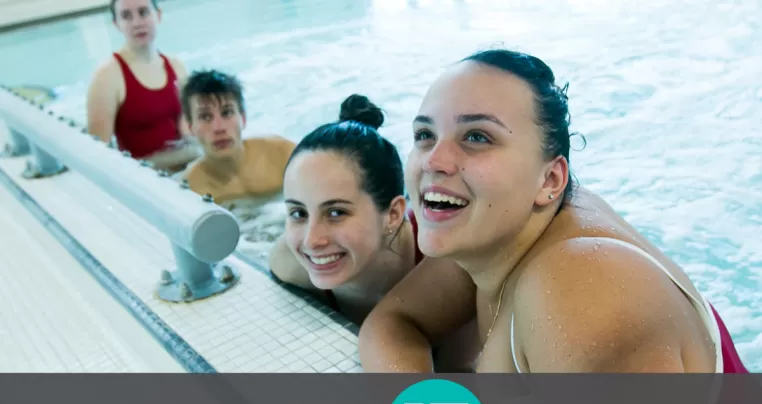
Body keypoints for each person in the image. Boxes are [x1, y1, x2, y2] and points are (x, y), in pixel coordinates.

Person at [358, 49, 748, 374]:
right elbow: (393, 323)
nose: (434, 161)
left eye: (477, 137)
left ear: (550, 180)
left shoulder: (583, 294)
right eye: (425, 135)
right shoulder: (495, 227)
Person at [268, 94, 426, 327]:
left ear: (392, 215)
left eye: (336, 213)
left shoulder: (439, 256)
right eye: (299, 213)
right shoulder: (289, 264)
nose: (312, 241)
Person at [86, 0, 199, 173]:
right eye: (126, 16)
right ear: (117, 24)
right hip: (146, 181)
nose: (137, 23)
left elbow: (190, 132)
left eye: (143, 12)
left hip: (186, 172)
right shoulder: (107, 77)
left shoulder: (177, 67)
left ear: (158, 15)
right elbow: (98, 154)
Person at [176, 69, 296, 207]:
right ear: (191, 128)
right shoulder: (189, 191)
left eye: (227, 113)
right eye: (205, 117)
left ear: (243, 119)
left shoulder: (283, 155)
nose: (218, 127)